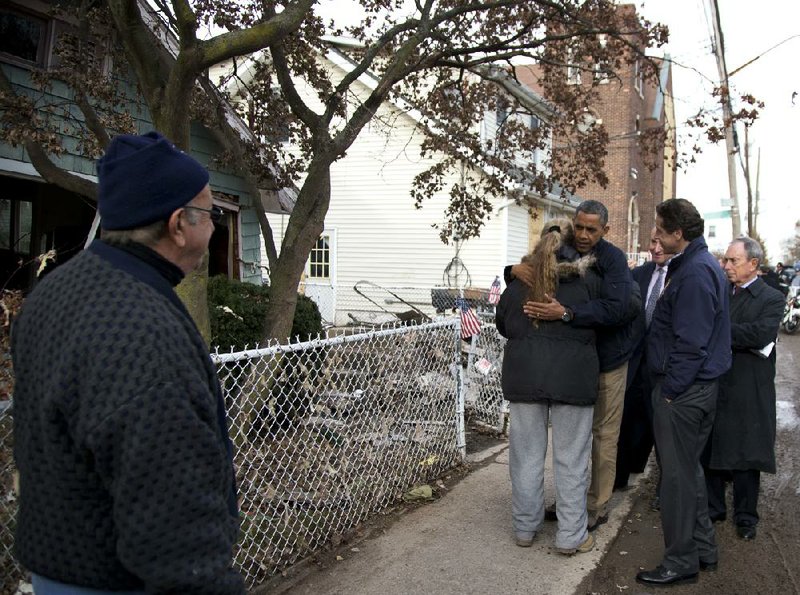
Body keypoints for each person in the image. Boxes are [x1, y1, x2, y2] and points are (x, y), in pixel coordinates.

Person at [11, 132, 244, 594]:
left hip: (55, 566)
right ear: (180, 224)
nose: (215, 226)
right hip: (120, 578)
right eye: (212, 213)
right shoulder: (143, 332)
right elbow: (173, 517)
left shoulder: (55, 292)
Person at [520, 200, 639, 531]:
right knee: (571, 439)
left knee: (603, 435)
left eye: (592, 229)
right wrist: (512, 271)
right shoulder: (562, 247)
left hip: (607, 360)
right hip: (571, 361)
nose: (584, 235)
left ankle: (595, 505)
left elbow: (616, 308)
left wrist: (568, 314)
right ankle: (571, 501)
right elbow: (535, 269)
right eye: (581, 226)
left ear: (606, 230)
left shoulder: (613, 260)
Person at [636, 199, 731, 587]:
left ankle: (680, 561)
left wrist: (672, 392)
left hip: (684, 395)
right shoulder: (698, 266)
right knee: (688, 474)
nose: (655, 235)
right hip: (695, 391)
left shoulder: (693, 274)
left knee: (675, 481)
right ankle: (704, 549)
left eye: (660, 228)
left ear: (679, 233)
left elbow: (691, 344)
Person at [496, 218, 599, 555]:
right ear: (573, 244)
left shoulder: (518, 284)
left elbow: (503, 325)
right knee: (571, 460)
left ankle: (525, 528)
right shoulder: (588, 282)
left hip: (525, 378)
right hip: (573, 379)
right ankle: (571, 536)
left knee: (525, 457)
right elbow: (605, 319)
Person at [704, 237, 784, 541]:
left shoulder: (771, 298)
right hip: (719, 380)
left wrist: (719, 331)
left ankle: (746, 517)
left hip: (751, 385)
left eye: (732, 261)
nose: (725, 266)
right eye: (725, 260)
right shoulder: (721, 292)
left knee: (748, 452)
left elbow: (761, 333)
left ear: (753, 264)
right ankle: (714, 508)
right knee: (714, 445)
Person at [614, 228, 674, 494]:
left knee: (662, 431)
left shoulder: (684, 278)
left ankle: (666, 491)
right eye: (652, 241)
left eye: (661, 242)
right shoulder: (638, 275)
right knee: (627, 422)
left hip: (666, 370)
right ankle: (620, 477)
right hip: (635, 365)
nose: (656, 247)